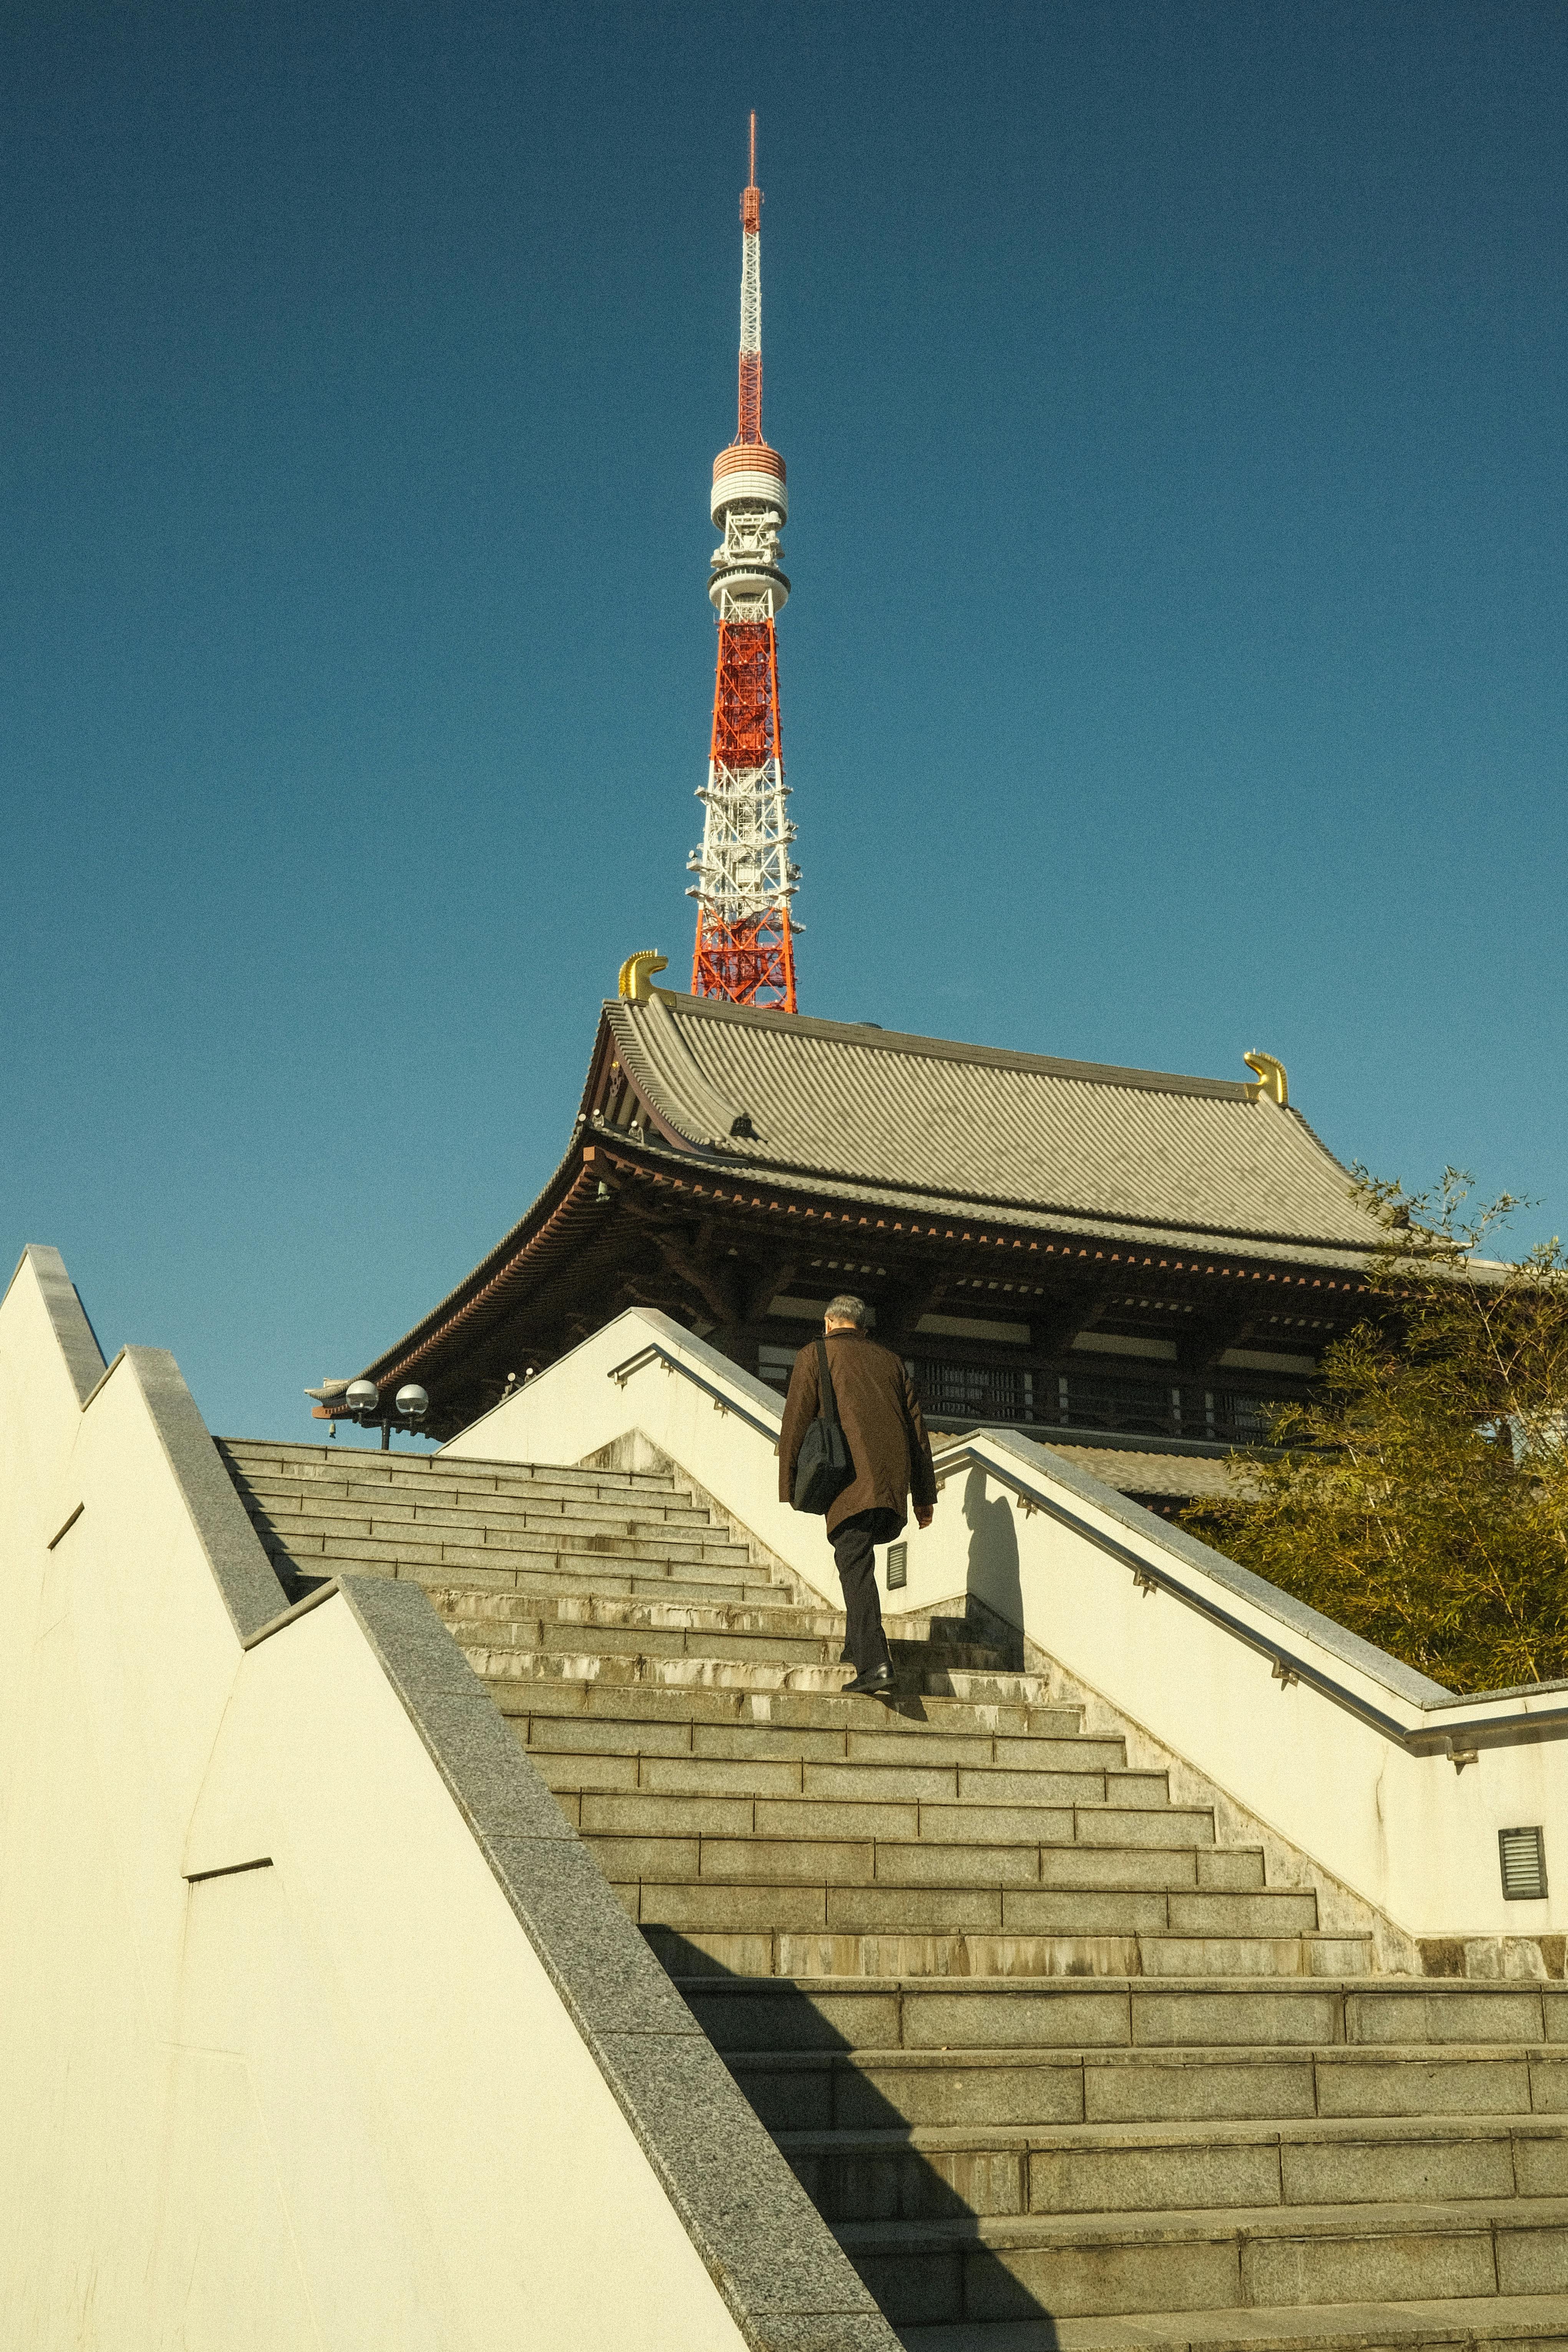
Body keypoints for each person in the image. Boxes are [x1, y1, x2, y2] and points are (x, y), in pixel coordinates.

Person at [777, 1295, 938, 1695]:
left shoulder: (814, 1355)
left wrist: (788, 1485)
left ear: (829, 1323)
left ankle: (874, 1664)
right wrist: (923, 1495)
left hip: (847, 1480)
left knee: (855, 1565)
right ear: (861, 1327)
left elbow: (795, 1419)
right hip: (888, 1482)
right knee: (858, 1556)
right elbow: (917, 1433)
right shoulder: (890, 1361)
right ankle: (856, 1645)